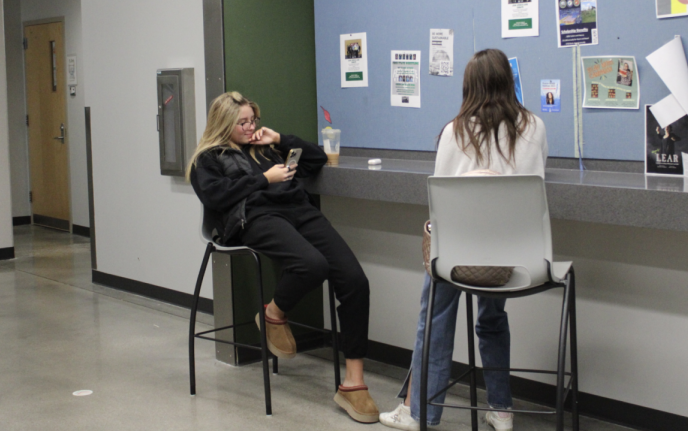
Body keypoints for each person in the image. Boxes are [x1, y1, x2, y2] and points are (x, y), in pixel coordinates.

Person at [380, 49, 548, 431]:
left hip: (458, 260)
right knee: (492, 317)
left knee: (434, 317)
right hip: (516, 263)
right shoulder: (535, 127)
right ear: (508, 81)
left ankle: (420, 412)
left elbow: (439, 205)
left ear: (468, 86)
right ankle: (502, 409)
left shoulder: (453, 132)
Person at [188, 92, 379, 424]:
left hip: (300, 212)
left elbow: (316, 158)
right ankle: (273, 314)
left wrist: (279, 138)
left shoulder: (269, 147)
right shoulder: (209, 158)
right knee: (312, 265)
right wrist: (264, 178)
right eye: (242, 122)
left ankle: (353, 384)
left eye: (254, 120)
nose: (250, 128)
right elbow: (215, 196)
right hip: (258, 218)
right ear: (224, 123)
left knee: (354, 281)